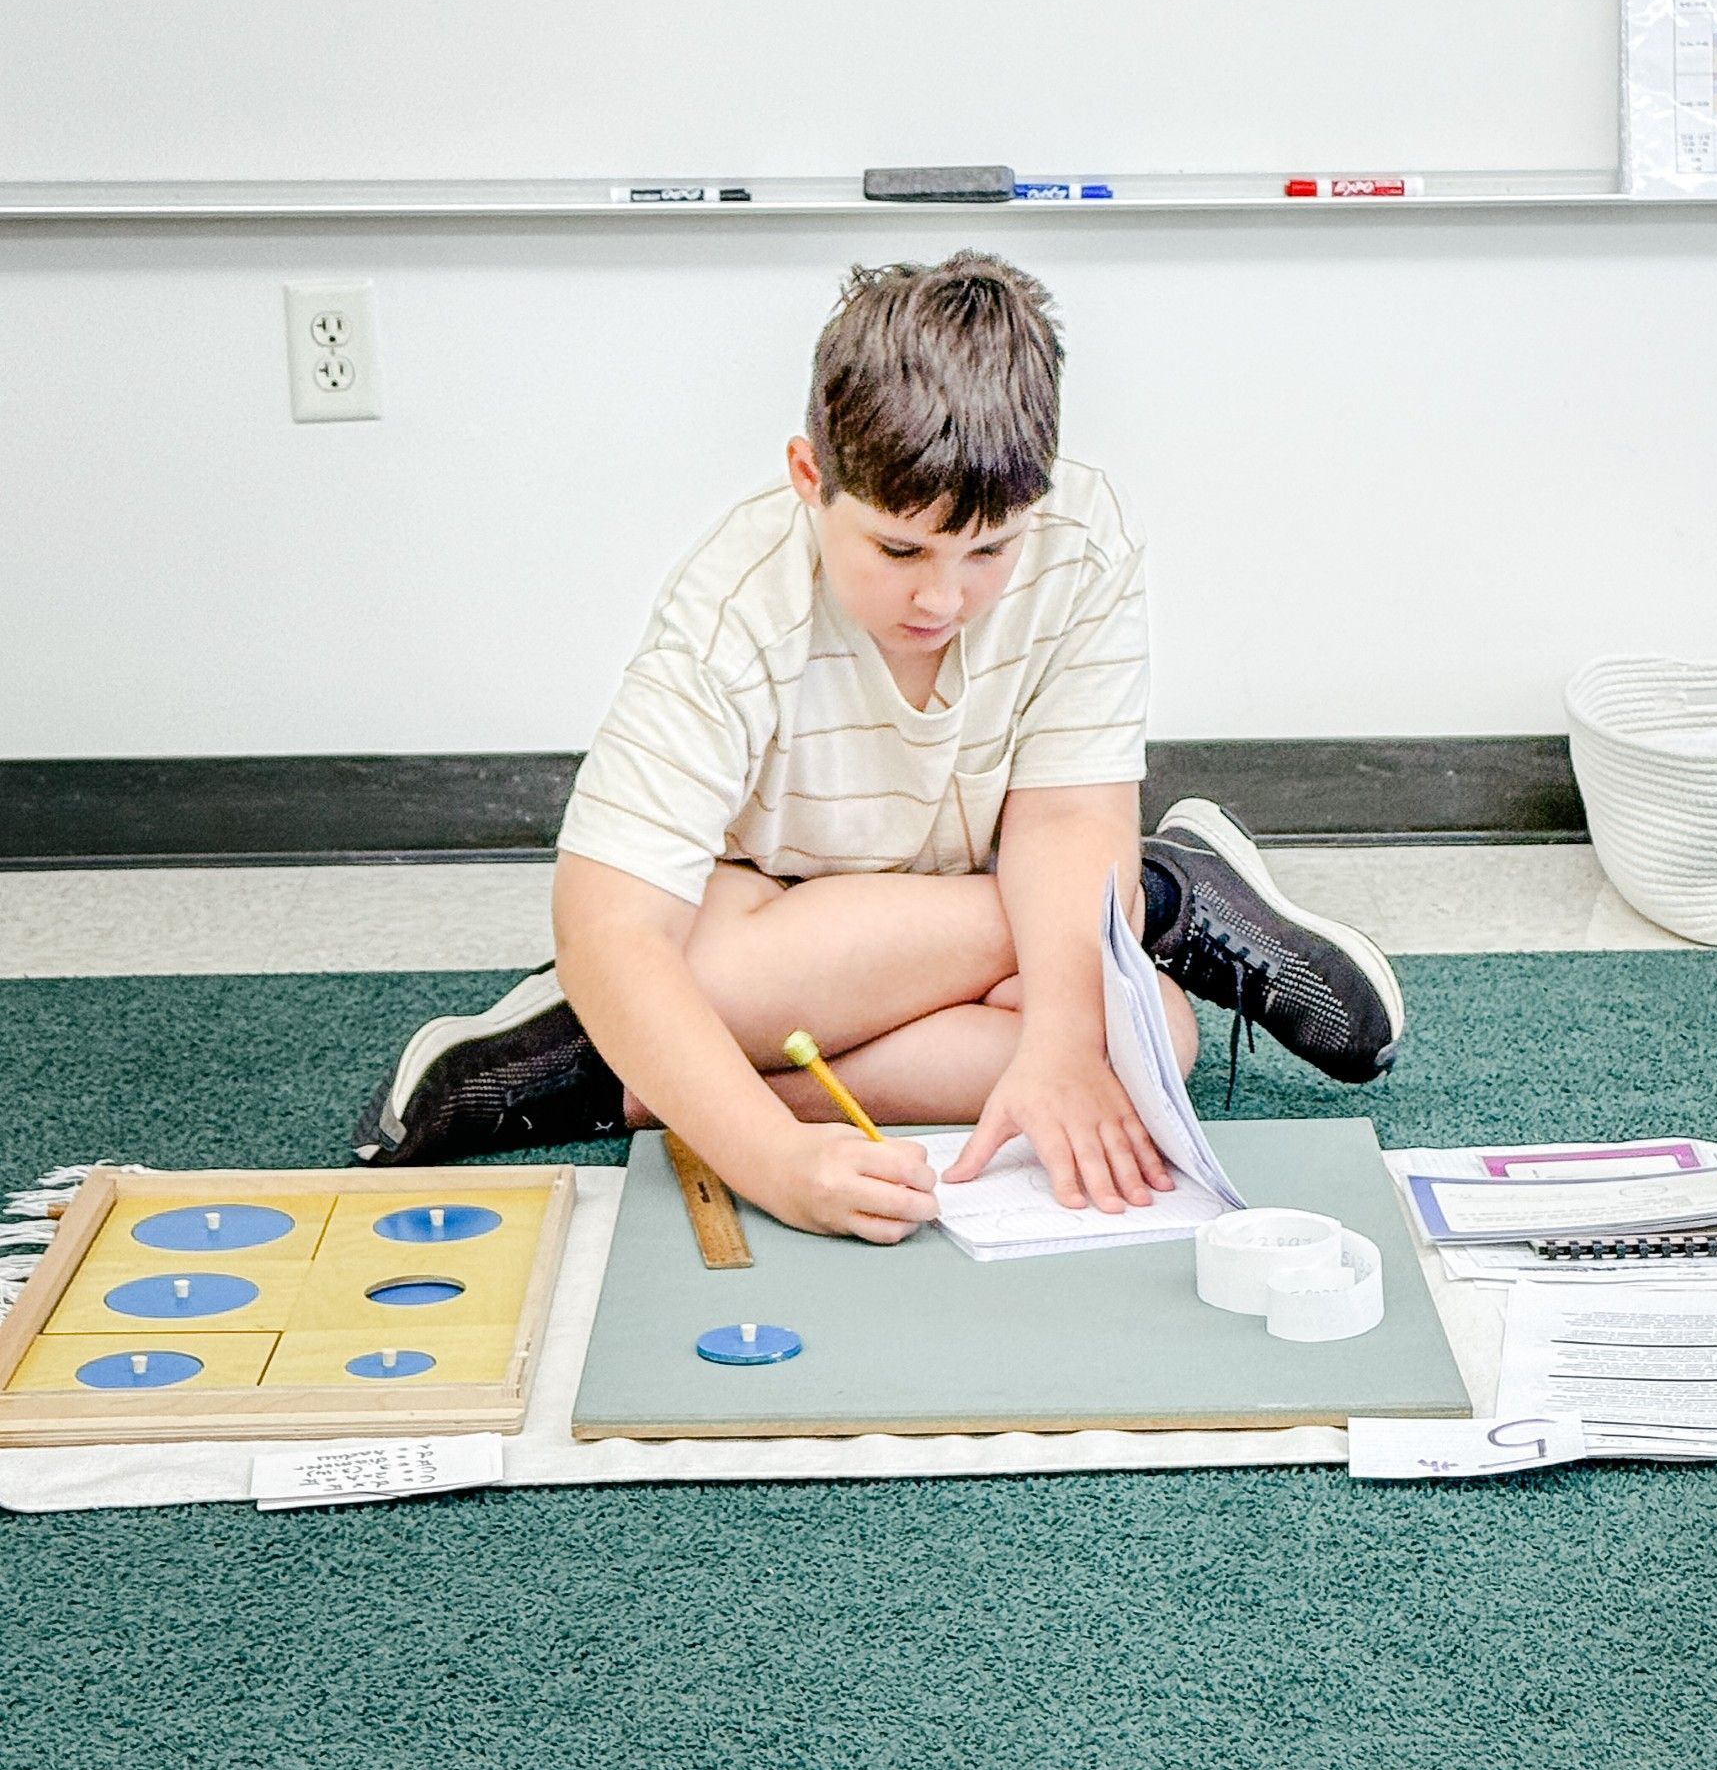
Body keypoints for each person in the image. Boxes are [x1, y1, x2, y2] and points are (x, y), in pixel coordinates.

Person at [351, 252, 1402, 1240]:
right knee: (696, 987)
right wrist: (772, 1159)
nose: (943, 597)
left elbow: (1069, 818)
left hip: (966, 885)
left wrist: (1058, 1042)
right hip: (768, 910)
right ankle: (1157, 900)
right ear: (809, 474)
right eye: (899, 548)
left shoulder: (1082, 540)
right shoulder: (734, 606)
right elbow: (608, 929)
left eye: (988, 551)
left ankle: (628, 1080)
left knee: (1152, 1043)